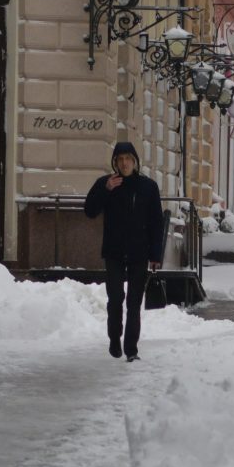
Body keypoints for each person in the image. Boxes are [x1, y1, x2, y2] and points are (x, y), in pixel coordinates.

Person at [83, 141, 166, 362]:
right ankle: (114, 338)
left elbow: (156, 222)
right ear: (115, 162)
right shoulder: (106, 184)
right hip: (114, 251)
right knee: (115, 298)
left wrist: (156, 255)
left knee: (134, 301)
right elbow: (89, 210)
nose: (124, 163)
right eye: (120, 159)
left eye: (128, 158)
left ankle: (131, 349)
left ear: (135, 161)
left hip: (140, 252)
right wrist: (105, 190)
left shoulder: (148, 187)